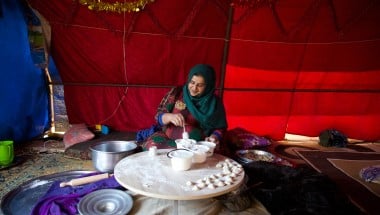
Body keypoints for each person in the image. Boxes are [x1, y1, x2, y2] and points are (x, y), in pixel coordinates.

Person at [142, 64, 228, 150]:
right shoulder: (177, 93)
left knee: (207, 154)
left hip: (198, 145)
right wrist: (169, 117)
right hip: (168, 140)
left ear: (208, 86)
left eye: (200, 85)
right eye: (192, 82)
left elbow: (220, 128)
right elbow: (158, 116)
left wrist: (214, 137)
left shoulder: (214, 103)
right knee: (152, 146)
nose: (194, 88)